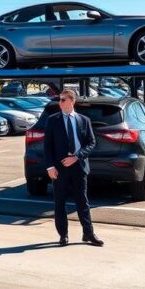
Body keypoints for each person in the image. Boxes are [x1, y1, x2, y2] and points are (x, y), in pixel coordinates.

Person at [44, 89, 103, 246]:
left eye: (63, 100)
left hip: (79, 166)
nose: (60, 103)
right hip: (59, 168)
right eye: (59, 100)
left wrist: (77, 157)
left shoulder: (83, 120)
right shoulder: (53, 120)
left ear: (72, 101)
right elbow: (47, 146)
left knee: (82, 202)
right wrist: (50, 166)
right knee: (60, 202)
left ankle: (88, 233)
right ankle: (63, 235)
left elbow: (91, 143)